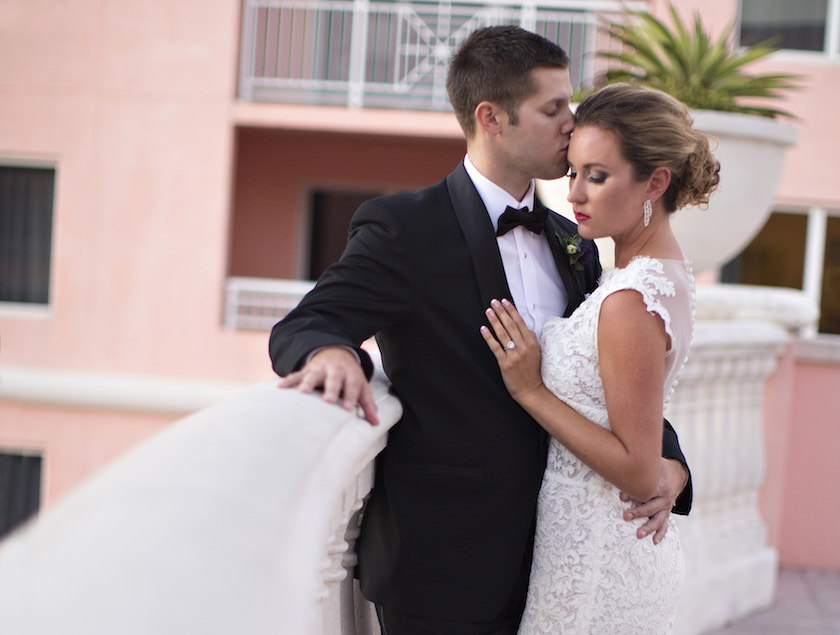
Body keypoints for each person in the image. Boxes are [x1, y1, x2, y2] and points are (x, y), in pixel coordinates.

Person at [270, 27, 693, 635]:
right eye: (552, 109)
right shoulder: (404, 229)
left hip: (558, 562)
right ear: (492, 117)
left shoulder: (571, 239)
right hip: (444, 567)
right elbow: (310, 320)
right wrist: (333, 353)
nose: (571, 124)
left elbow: (612, 378)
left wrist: (670, 467)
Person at [481, 83, 720, 633]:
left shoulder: (631, 298)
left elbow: (638, 472)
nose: (575, 196)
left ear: (655, 182)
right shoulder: (654, 276)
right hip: (592, 548)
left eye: (597, 175)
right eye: (573, 174)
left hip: (599, 560)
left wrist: (531, 391)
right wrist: (674, 469)